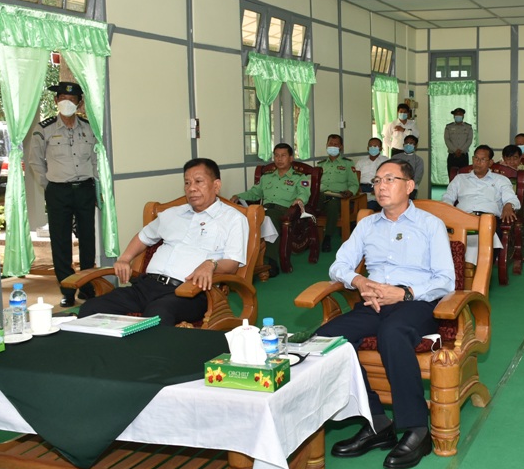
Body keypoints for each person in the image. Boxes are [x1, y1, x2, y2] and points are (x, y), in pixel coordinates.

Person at [318, 159, 455, 469]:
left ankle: (418, 429)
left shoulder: (430, 225)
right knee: (325, 339)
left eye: (390, 179)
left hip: (418, 303)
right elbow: (338, 266)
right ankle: (376, 421)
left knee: (392, 333)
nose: (380, 186)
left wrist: (404, 292)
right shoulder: (367, 225)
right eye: (377, 180)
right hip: (373, 301)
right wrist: (360, 281)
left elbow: (446, 281)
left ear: (410, 186)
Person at [76, 159, 247, 326]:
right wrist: (125, 259)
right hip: (146, 286)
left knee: (157, 314)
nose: (191, 188)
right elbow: (143, 237)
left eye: (198, 181)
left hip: (191, 292)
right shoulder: (173, 214)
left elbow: (232, 264)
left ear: (216, 185)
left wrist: (211, 264)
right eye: (187, 183)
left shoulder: (233, 219)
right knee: (91, 309)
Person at [28, 81, 98, 308]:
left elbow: (95, 160)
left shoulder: (89, 128)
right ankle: (67, 289)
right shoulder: (44, 129)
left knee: (87, 239)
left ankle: (87, 285)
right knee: (60, 241)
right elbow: (35, 161)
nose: (67, 102)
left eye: (72, 99)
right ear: (56, 101)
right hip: (58, 191)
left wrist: (97, 186)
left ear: (80, 103)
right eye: (63, 98)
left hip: (85, 189)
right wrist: (48, 186)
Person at [230, 143, 310, 275]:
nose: (279, 159)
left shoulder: (299, 178)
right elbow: (254, 193)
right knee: (242, 218)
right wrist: (238, 196)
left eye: (283, 156)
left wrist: (300, 199)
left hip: (285, 212)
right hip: (264, 210)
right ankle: (243, 260)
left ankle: (270, 262)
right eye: (276, 155)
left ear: (291, 158)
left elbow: (304, 193)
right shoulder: (266, 177)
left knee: (269, 218)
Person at [441, 145, 519, 223]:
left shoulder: (501, 180)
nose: (478, 162)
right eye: (476, 158)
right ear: (472, 159)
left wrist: (508, 205)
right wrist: (449, 211)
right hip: (462, 218)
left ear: (490, 162)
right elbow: (448, 197)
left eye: (483, 159)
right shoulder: (460, 178)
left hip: (488, 220)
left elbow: (511, 199)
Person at [317, 134, 359, 252]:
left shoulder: (347, 163)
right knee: (307, 204)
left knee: (333, 204)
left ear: (341, 147)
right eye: (330, 144)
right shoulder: (320, 164)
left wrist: (350, 192)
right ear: (326, 145)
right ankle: (306, 236)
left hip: (339, 198)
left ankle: (327, 238)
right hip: (321, 197)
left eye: (336, 144)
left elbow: (354, 184)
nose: (333, 146)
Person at [356, 137, 386, 211]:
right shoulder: (361, 161)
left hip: (376, 188)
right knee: (352, 206)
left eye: (375, 146)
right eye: (370, 146)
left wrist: (378, 188)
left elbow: (388, 177)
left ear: (380, 148)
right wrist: (357, 187)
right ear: (367, 148)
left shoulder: (385, 161)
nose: (372, 148)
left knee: (369, 207)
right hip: (361, 188)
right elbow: (355, 176)